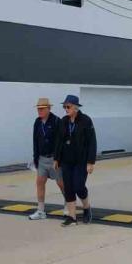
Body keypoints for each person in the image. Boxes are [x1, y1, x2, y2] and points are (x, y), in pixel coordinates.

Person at [53, 95, 96, 227]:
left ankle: (86, 207)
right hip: (66, 160)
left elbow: (92, 142)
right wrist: (56, 158)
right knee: (69, 188)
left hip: (81, 161)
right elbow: (59, 140)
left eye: (68, 107)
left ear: (76, 108)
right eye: (64, 107)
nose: (66, 109)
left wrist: (90, 162)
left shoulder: (86, 120)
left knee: (78, 186)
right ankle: (72, 217)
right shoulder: (64, 121)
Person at [28, 97, 64, 220]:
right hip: (42, 159)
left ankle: (68, 205)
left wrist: (58, 158)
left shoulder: (57, 121)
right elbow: (35, 140)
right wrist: (35, 158)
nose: (40, 111)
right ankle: (40, 210)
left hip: (54, 159)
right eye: (38, 109)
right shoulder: (37, 122)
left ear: (49, 108)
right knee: (40, 182)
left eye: (42, 109)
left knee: (61, 183)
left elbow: (60, 142)